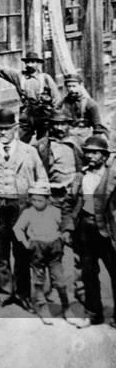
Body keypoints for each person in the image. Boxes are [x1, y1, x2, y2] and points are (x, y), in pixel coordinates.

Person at [0, 107, 47, 310]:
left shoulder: (29, 151)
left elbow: (42, 179)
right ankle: (4, 293)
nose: (2, 133)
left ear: (15, 128)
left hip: (21, 208)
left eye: (6, 129)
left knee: (22, 252)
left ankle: (23, 294)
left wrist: (37, 207)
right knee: (0, 253)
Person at [13, 182, 81, 325]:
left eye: (40, 200)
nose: (37, 203)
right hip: (37, 250)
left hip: (54, 250)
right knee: (39, 281)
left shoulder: (54, 211)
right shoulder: (28, 213)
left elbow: (63, 225)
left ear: (48, 199)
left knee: (60, 281)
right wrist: (26, 243)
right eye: (34, 200)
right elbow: (17, 228)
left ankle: (66, 308)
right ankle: (43, 308)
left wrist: (62, 237)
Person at [66, 134, 116, 326]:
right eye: (87, 152)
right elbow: (69, 203)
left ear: (104, 156)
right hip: (85, 230)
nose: (90, 156)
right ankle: (93, 313)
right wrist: (68, 228)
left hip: (108, 230)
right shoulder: (80, 176)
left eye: (95, 153)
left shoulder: (112, 176)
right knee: (88, 273)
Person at [0, 50, 59, 142]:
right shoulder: (19, 76)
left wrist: (55, 117)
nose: (30, 65)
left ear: (38, 63)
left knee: (44, 143)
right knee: (19, 142)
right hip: (27, 114)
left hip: (44, 115)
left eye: (33, 62)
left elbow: (56, 98)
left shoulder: (45, 78)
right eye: (27, 62)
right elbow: (0, 69)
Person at [55, 72, 106, 142]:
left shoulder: (90, 104)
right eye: (69, 86)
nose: (71, 89)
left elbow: (97, 127)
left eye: (74, 86)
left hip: (83, 136)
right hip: (66, 134)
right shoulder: (64, 102)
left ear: (81, 85)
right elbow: (55, 114)